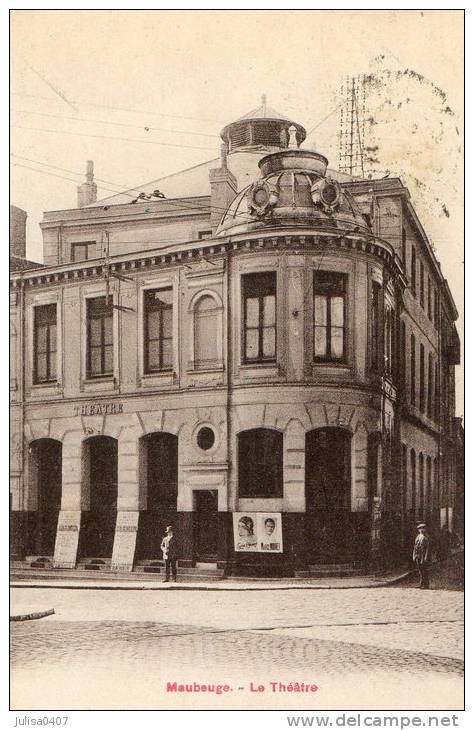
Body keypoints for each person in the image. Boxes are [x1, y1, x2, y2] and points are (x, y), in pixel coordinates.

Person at [413, 522, 430, 589]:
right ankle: (421, 583)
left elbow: (428, 548)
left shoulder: (426, 537)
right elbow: (415, 546)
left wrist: (426, 557)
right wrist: (414, 555)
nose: (421, 530)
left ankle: (426, 584)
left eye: (423, 528)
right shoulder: (418, 537)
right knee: (420, 570)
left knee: (424, 570)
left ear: (425, 529)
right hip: (418, 555)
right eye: (420, 529)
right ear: (418, 530)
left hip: (423, 555)